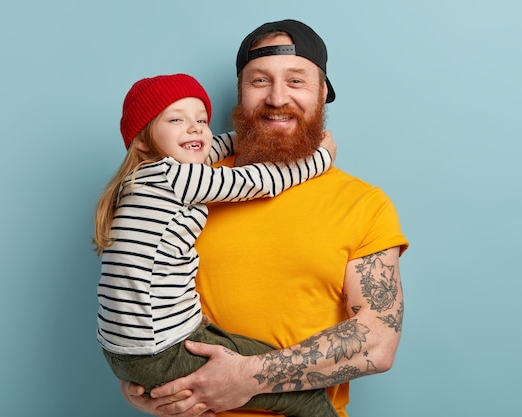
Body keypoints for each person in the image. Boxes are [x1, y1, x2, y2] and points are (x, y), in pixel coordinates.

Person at [122, 19, 409, 417]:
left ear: (323, 93)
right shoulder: (191, 186)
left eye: (296, 81)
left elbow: (377, 341)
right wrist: (146, 380)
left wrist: (248, 377)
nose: (277, 98)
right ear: (240, 93)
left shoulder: (363, 204)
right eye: (260, 81)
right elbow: (134, 289)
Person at [94, 73, 340, 417]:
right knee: (298, 383)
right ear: (142, 141)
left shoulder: (139, 182)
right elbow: (257, 181)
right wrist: (320, 158)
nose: (195, 128)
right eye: (177, 119)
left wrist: (248, 138)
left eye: (202, 120)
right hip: (163, 349)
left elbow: (210, 148)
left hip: (125, 353)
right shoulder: (174, 177)